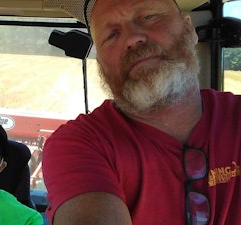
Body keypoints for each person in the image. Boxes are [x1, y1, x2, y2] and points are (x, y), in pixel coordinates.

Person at [42, 0, 241, 225]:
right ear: (102, 63)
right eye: (111, 35)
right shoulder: (80, 144)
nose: (132, 38)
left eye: (148, 17)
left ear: (189, 29)